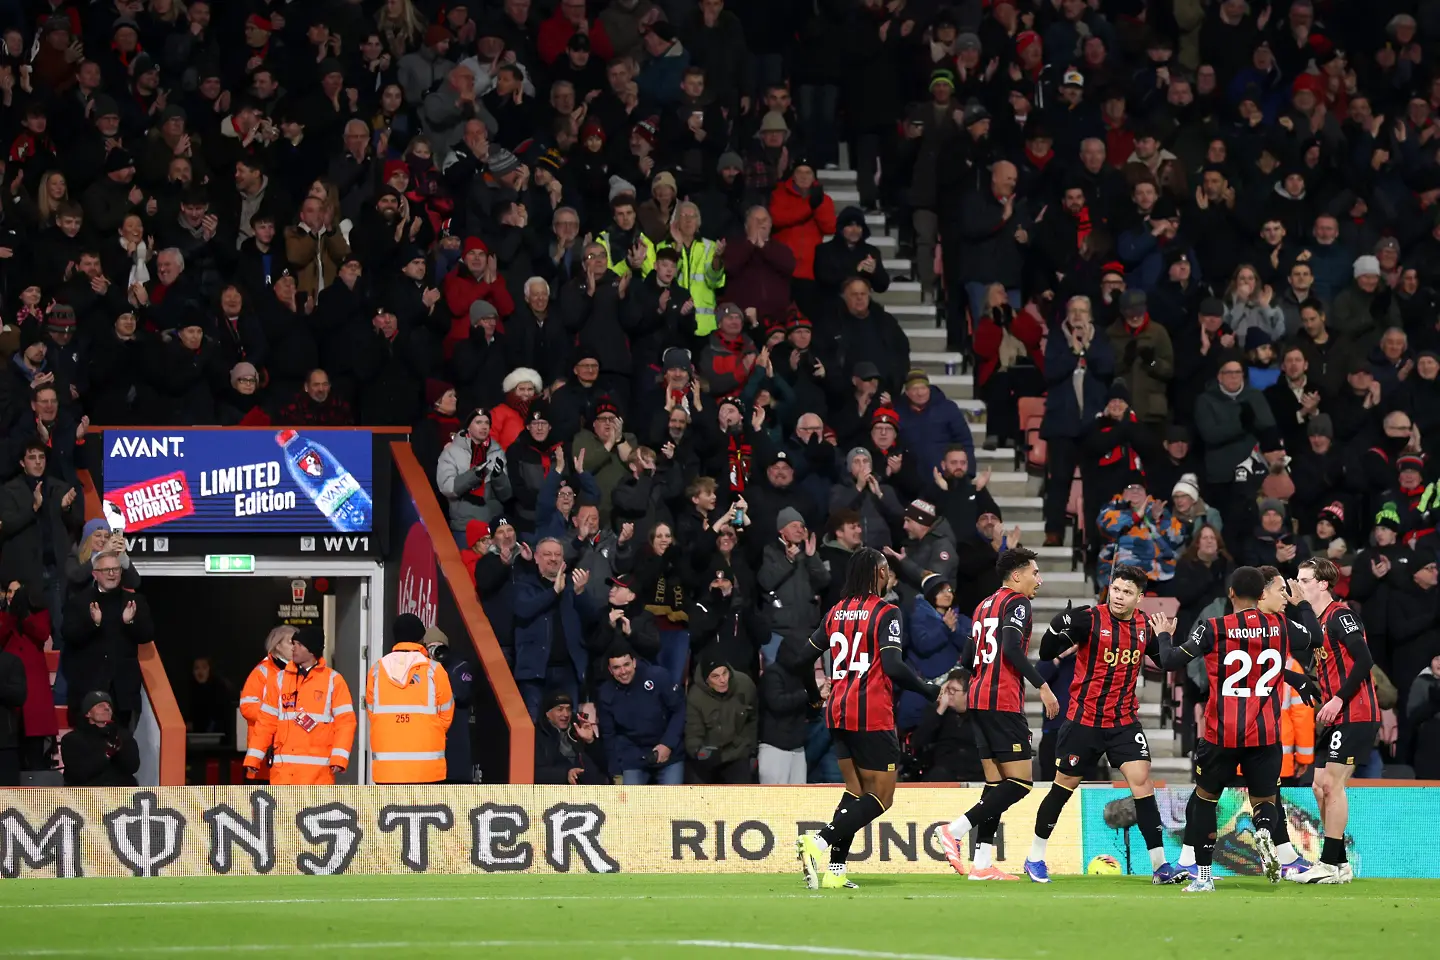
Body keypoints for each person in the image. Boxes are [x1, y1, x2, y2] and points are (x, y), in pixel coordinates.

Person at [1150, 565, 1319, 892]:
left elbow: (1169, 660)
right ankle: (1266, 833)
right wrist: (1302, 605)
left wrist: (1163, 633)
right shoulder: (1281, 625)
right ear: (1261, 594)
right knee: (1264, 801)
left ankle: (1203, 877)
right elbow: (1315, 635)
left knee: (1205, 800)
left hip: (1222, 733)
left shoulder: (1212, 627)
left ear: (1231, 593)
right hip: (1266, 733)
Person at [1022, 566, 1187, 884]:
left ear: (1139, 598)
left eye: (1127, 592)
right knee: (1063, 788)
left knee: (1142, 783)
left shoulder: (1142, 626)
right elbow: (1045, 654)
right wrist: (1059, 626)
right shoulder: (1089, 618)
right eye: (1116, 589)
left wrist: (1167, 635)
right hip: (1083, 720)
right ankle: (1034, 857)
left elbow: (1165, 661)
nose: (1119, 596)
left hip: (1124, 721)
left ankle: (1160, 867)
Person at [791, 548, 941, 890]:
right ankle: (819, 840)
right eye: (885, 568)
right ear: (875, 573)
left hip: (838, 711)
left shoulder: (835, 613)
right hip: (871, 713)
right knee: (882, 797)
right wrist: (926, 689)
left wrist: (815, 698)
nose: (889, 573)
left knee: (855, 791)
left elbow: (802, 660)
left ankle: (835, 871)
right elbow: (892, 665)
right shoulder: (886, 612)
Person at [935, 548, 1059, 880]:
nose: (1039, 579)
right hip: (1001, 700)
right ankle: (954, 830)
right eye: (1034, 572)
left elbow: (968, 654)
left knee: (995, 784)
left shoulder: (983, 605)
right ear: (1016, 575)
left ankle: (982, 864)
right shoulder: (1017, 603)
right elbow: (1010, 648)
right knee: (1020, 782)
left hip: (978, 698)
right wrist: (1042, 686)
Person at [1288, 558, 1382, 884]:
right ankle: (1340, 863)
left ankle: (1328, 864)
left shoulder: (1340, 615)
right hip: (1333, 715)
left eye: (1304, 579)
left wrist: (1339, 697)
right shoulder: (1314, 623)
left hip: (1355, 712)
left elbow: (1365, 659)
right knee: (1317, 787)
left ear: (1323, 584)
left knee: (1332, 785)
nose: (1298, 584)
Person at [243, 627, 355, 785]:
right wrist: (253, 758)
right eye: (293, 643)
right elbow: (265, 722)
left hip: (317, 775)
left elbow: (346, 723)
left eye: (299, 644)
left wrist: (339, 758)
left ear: (312, 650)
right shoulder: (279, 680)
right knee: (283, 811)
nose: (294, 647)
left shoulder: (333, 680)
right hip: (283, 774)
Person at [60, 552, 154, 727]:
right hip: (88, 692)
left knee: (123, 747)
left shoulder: (134, 602)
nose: (112, 574)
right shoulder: (79, 603)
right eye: (107, 570)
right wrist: (93, 624)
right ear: (95, 573)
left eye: (116, 569)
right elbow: (69, 635)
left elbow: (147, 634)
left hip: (123, 694)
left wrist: (130, 622)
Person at [365, 614, 455, 784]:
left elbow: (372, 712)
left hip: (387, 770)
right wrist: (428, 729)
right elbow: (446, 715)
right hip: (427, 770)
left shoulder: (377, 670)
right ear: (421, 638)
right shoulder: (434, 670)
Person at [595, 642, 685, 784]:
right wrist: (615, 773)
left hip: (668, 753)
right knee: (630, 803)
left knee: (672, 802)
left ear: (634, 662)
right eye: (616, 667)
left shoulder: (658, 676)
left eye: (626, 665)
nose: (623, 671)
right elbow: (608, 735)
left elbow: (679, 710)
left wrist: (668, 744)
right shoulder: (605, 693)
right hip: (633, 758)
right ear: (610, 670)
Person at [684, 655, 757, 783]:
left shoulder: (745, 684)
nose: (723, 680)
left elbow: (753, 719)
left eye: (725, 673)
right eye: (715, 676)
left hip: (737, 753)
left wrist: (750, 749)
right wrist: (699, 752)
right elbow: (693, 733)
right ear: (707, 680)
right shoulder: (695, 696)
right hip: (708, 755)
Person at [239, 625, 295, 783]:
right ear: (277, 645)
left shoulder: (298, 672)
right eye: (291, 642)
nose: (295, 647)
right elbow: (247, 706)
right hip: (265, 753)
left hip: (289, 756)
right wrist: (278, 716)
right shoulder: (262, 671)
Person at [425, 627, 476, 784]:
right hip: (430, 747)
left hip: (455, 743)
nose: (437, 652)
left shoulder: (459, 667)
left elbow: (462, 693)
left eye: (440, 647)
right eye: (431, 648)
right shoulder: (419, 670)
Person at [60, 691, 139, 787]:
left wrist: (121, 749)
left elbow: (132, 767)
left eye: (109, 706)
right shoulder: (72, 740)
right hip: (87, 795)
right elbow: (79, 774)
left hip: (120, 793)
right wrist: (107, 753)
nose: (107, 708)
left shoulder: (123, 735)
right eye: (100, 705)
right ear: (88, 713)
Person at [534, 689, 606, 785]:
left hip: (587, 791)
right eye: (560, 709)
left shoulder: (579, 730)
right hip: (554, 792)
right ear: (547, 713)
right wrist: (565, 774)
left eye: (568, 709)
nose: (566, 714)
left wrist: (591, 742)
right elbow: (535, 773)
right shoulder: (537, 735)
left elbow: (603, 766)